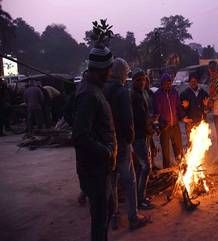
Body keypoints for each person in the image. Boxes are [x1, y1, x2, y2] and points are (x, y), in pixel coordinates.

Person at [72, 45, 117, 241]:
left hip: (101, 167)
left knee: (108, 210)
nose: (110, 72)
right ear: (99, 69)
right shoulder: (89, 94)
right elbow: (80, 136)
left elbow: (68, 113)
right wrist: (106, 151)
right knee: (100, 219)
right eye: (108, 68)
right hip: (95, 169)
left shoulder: (93, 89)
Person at [103, 59, 150, 231]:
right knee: (129, 180)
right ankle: (133, 217)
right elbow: (127, 119)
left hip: (107, 144)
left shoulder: (104, 89)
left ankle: (114, 217)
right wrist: (129, 140)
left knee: (113, 181)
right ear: (122, 73)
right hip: (121, 144)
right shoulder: (122, 92)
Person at [131, 68, 155, 210]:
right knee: (146, 166)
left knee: (141, 167)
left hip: (144, 134)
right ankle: (140, 199)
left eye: (143, 79)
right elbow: (138, 119)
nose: (141, 82)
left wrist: (151, 122)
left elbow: (145, 115)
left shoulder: (143, 93)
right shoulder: (134, 96)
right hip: (138, 136)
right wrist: (149, 126)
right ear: (133, 81)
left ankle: (139, 196)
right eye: (138, 80)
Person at [153, 73, 184, 168]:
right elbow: (156, 112)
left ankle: (182, 168)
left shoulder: (174, 92)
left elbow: (178, 107)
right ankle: (167, 171)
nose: (168, 85)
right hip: (164, 127)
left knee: (178, 149)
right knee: (166, 151)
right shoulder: (157, 95)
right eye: (166, 83)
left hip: (175, 126)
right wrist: (159, 126)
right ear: (162, 84)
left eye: (170, 83)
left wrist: (182, 117)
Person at [180, 72, 209, 141]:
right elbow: (180, 108)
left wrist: (206, 106)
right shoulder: (184, 94)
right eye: (191, 81)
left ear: (197, 81)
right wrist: (183, 117)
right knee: (192, 144)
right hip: (190, 123)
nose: (193, 83)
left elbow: (208, 107)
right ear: (189, 82)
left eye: (195, 81)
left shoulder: (203, 93)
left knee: (202, 143)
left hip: (201, 122)